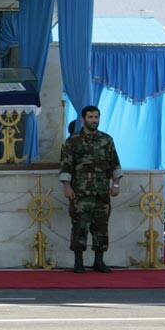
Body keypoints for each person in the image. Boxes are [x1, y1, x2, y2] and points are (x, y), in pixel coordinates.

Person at [59, 105, 123, 273]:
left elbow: (115, 164)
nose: (94, 120)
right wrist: (67, 187)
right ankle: (78, 262)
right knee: (79, 227)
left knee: (101, 228)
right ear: (83, 119)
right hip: (80, 193)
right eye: (90, 117)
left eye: (96, 117)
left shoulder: (106, 140)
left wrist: (116, 184)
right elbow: (66, 166)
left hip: (102, 193)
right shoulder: (73, 141)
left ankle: (99, 261)